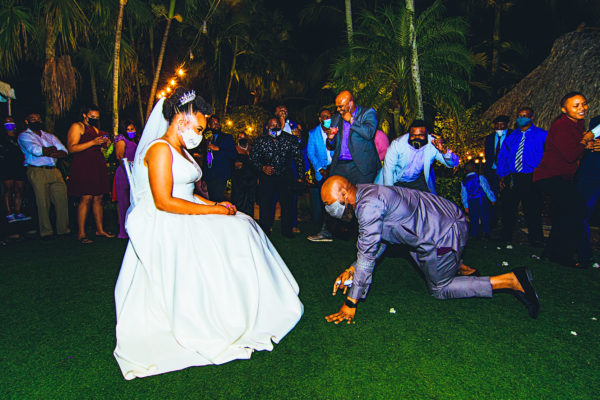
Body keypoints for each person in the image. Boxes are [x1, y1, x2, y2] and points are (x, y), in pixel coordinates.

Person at [114, 88, 303, 380]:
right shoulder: (159, 149)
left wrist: (216, 204)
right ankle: (226, 315)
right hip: (167, 220)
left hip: (186, 209)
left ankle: (254, 304)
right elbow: (165, 200)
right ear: (181, 120)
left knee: (243, 223)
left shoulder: (181, 150)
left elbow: (188, 192)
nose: (200, 134)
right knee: (235, 233)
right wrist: (213, 212)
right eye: (199, 128)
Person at [320, 176, 540, 324]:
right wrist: (352, 269)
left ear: (342, 194)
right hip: (436, 225)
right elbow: (381, 240)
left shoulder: (368, 208)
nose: (328, 209)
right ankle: (457, 265)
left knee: (440, 289)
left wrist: (351, 302)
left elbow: (368, 255)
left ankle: (512, 280)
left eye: (329, 203)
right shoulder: (365, 192)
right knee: (417, 254)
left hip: (443, 233)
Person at [534, 93, 594, 268]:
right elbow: (570, 155)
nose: (581, 108)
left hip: (561, 178)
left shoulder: (576, 125)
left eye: (583, 104)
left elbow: (574, 150)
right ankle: (562, 255)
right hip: (550, 177)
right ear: (564, 109)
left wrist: (586, 145)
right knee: (577, 210)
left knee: (564, 215)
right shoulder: (562, 126)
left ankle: (550, 254)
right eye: (575, 105)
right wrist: (585, 140)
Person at [496, 107, 546, 248]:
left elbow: (548, 155)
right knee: (508, 208)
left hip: (531, 175)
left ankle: (536, 239)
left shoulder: (542, 135)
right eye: (519, 116)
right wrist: (502, 175)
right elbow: (503, 157)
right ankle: (505, 237)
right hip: (513, 176)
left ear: (531, 117)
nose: (521, 118)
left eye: (525, 116)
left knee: (532, 209)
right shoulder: (512, 136)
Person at [249, 117, 305, 238]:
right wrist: (263, 167)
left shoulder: (289, 139)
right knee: (266, 204)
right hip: (267, 178)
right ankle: (265, 229)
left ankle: (287, 230)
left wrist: (300, 177)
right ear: (267, 127)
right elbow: (252, 159)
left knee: (287, 204)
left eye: (277, 125)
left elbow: (298, 158)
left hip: (285, 177)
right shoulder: (260, 140)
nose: (275, 127)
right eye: (272, 125)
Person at [17, 113, 70, 238]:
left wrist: (47, 151)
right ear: (27, 121)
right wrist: (50, 150)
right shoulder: (24, 136)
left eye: (38, 119)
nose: (36, 121)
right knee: (42, 202)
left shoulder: (49, 136)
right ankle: (46, 231)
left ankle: (64, 229)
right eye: (33, 119)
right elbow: (36, 151)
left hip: (54, 170)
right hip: (37, 170)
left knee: (61, 199)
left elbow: (64, 151)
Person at [67, 105, 113, 243]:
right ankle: (81, 233)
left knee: (98, 197)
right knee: (86, 198)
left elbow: (102, 148)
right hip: (83, 164)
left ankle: (100, 229)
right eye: (92, 117)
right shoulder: (77, 126)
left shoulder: (97, 129)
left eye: (97, 118)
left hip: (97, 163)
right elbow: (71, 148)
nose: (94, 119)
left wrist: (105, 144)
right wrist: (92, 142)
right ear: (84, 115)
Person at [377, 120, 459, 193]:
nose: (416, 138)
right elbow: (389, 169)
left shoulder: (433, 144)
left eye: (420, 135)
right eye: (413, 135)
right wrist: (391, 192)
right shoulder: (397, 144)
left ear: (427, 134)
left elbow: (453, 164)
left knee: (429, 204)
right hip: (395, 180)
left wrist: (444, 151)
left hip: (417, 181)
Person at [325, 90, 380, 184]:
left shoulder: (367, 113)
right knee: (336, 195)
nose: (338, 109)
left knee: (360, 197)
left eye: (340, 106)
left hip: (360, 166)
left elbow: (369, 133)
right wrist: (330, 138)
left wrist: (351, 120)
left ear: (350, 103)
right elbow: (331, 146)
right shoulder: (336, 118)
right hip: (340, 165)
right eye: (337, 106)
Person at [306, 109, 335, 242]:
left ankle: (333, 229)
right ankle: (326, 230)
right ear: (320, 119)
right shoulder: (313, 133)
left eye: (329, 116)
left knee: (337, 200)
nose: (327, 119)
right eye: (324, 117)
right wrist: (320, 169)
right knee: (325, 201)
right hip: (322, 171)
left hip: (335, 169)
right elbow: (311, 153)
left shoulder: (336, 131)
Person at [576, 115, 600, 268]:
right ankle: (585, 256)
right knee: (580, 215)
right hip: (590, 176)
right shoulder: (596, 121)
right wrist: (585, 144)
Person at [1, 116, 30, 223]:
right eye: (7, 123)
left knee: (19, 189)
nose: (10, 124)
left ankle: (18, 212)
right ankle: (9, 213)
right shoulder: (2, 138)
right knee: (8, 189)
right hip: (7, 166)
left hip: (19, 166)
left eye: (11, 122)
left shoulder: (20, 137)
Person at [114, 120, 139, 239]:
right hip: (124, 173)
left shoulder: (136, 140)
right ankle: (123, 231)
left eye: (132, 129)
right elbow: (119, 156)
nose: (131, 132)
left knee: (134, 201)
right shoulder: (121, 139)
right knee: (124, 202)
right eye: (128, 129)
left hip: (135, 173)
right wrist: (128, 170)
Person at [203, 116, 237, 202]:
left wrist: (218, 149)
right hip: (209, 175)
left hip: (220, 175)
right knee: (211, 201)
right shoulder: (206, 139)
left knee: (218, 200)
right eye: (214, 123)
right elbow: (205, 159)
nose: (217, 125)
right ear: (209, 125)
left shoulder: (227, 137)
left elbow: (233, 154)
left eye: (218, 123)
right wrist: (204, 178)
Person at [461, 161, 496, 238]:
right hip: (481, 199)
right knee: (485, 216)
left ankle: (474, 233)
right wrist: (492, 199)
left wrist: (465, 205)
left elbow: (464, 194)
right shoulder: (480, 177)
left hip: (471, 201)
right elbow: (487, 189)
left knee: (474, 217)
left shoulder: (464, 181)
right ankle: (486, 232)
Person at [230, 132, 256, 217]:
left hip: (251, 180)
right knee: (239, 202)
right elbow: (229, 162)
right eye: (239, 137)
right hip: (239, 181)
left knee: (250, 202)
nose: (241, 138)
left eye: (243, 137)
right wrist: (234, 164)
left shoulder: (252, 148)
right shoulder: (234, 149)